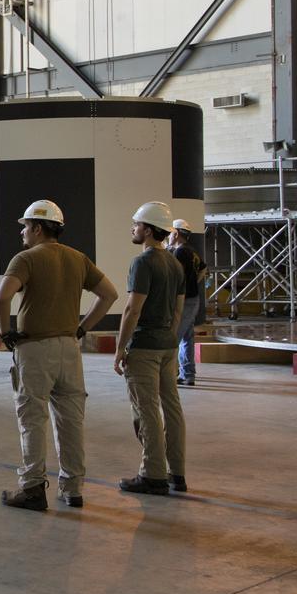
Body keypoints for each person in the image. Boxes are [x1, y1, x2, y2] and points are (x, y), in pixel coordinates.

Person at [0, 200, 119, 512]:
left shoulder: (25, 259)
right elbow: (109, 295)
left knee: (32, 418)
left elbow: (2, 298)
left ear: (37, 228)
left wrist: (4, 332)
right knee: (71, 420)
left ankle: (33, 487)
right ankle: (72, 489)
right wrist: (82, 327)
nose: (23, 233)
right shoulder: (78, 259)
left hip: (35, 349)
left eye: (25, 227)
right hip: (69, 350)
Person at [114, 201, 188, 496]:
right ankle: (176, 473)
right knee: (172, 408)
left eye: (136, 223)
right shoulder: (175, 263)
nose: (132, 228)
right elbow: (179, 311)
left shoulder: (142, 262)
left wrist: (120, 348)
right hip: (168, 345)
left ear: (148, 230)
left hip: (144, 345)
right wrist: (169, 337)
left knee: (146, 411)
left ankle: (152, 474)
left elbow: (133, 309)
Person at [167, 218, 208, 387]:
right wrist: (194, 283)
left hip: (184, 300)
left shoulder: (179, 252)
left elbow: (174, 274)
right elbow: (204, 268)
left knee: (173, 338)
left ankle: (173, 373)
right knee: (187, 337)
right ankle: (188, 374)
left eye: (170, 233)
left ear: (176, 234)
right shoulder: (192, 251)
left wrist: (168, 248)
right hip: (194, 298)